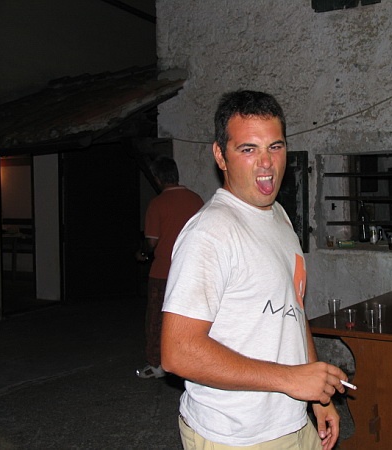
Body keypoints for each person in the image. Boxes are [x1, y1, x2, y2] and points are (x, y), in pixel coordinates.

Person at [161, 90, 348, 449]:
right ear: (221, 156)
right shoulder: (210, 233)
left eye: (275, 147)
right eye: (248, 149)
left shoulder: (278, 215)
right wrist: (291, 379)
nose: (266, 163)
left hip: (292, 420)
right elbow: (177, 351)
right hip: (236, 435)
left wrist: (317, 396)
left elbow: (293, 311)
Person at [135, 155, 204, 379]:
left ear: (157, 178)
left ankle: (156, 364)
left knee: (156, 319)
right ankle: (190, 359)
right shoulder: (196, 200)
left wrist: (142, 253)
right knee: (190, 318)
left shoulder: (157, 204)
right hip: (190, 271)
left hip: (163, 271)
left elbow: (152, 242)